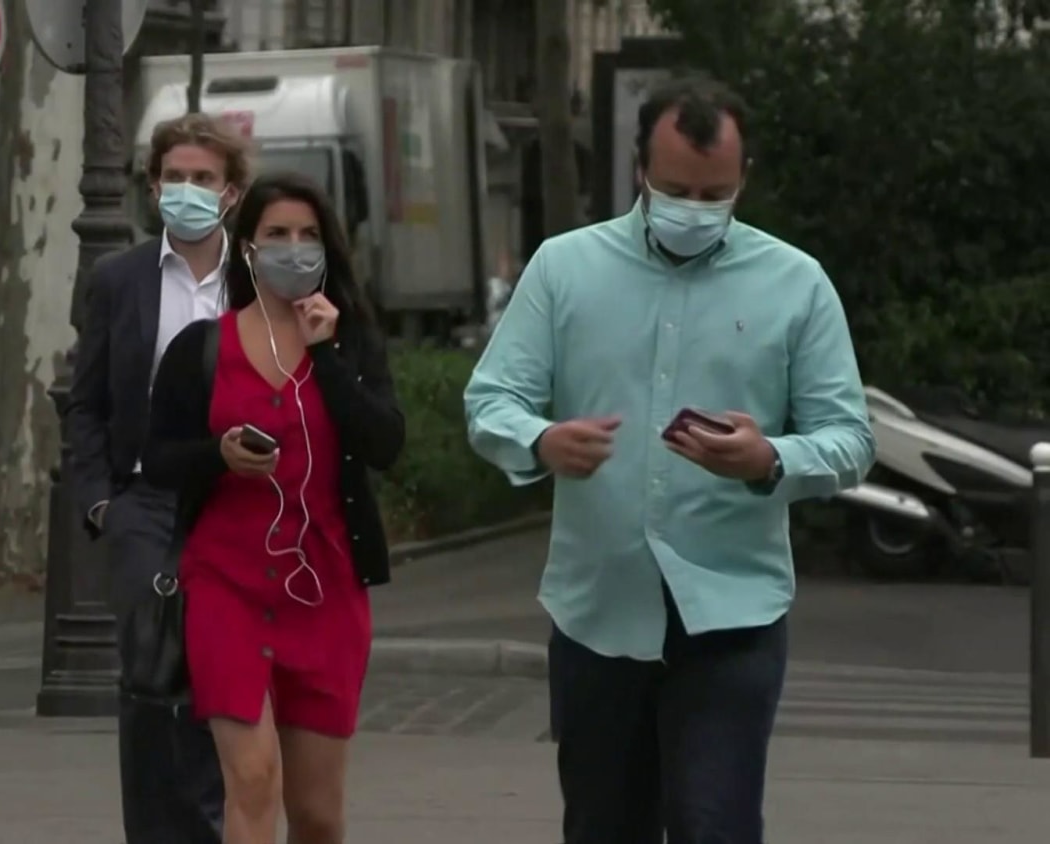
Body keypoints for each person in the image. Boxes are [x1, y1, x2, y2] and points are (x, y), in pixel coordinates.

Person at [464, 76, 875, 843]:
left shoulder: (797, 283)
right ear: (639, 172)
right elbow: (491, 402)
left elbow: (850, 439)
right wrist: (542, 441)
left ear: (743, 177)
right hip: (598, 610)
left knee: (711, 822)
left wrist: (769, 458)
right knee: (602, 825)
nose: (694, 206)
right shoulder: (564, 269)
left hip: (732, 612)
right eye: (676, 187)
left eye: (714, 191)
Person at [142, 171, 404, 844]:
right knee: (253, 782)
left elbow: (384, 444)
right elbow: (159, 459)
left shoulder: (349, 344)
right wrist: (218, 454)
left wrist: (327, 357)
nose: (294, 248)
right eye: (277, 234)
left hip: (325, 594)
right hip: (224, 585)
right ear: (248, 248)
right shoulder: (199, 350)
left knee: (316, 813)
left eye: (308, 235)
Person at [64, 111, 252, 844]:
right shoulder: (119, 279)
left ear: (231, 193)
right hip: (143, 501)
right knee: (151, 664)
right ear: (152, 185)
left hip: (233, 499)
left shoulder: (255, 280)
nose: (187, 191)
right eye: (174, 178)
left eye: (203, 179)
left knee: (216, 670)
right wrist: (99, 503)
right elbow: (84, 402)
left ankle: (210, 824)